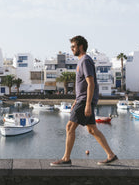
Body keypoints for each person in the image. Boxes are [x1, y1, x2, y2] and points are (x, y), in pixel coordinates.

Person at [50, 35, 118, 167]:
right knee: (92, 129)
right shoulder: (82, 61)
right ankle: (111, 155)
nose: (72, 49)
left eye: (73, 46)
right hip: (82, 99)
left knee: (70, 127)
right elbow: (82, 85)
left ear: (81, 46)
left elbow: (90, 83)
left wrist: (87, 104)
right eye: (71, 47)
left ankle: (66, 159)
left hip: (85, 100)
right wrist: (76, 100)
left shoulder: (85, 61)